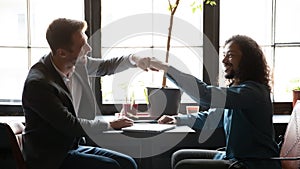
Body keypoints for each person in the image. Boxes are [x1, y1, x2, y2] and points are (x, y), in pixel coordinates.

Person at [22, 18, 151, 169]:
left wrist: (134, 59)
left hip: (72, 148)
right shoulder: (38, 84)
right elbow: (70, 125)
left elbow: (105, 66)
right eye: (82, 46)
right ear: (62, 53)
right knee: (111, 167)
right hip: (51, 158)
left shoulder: (75, 63)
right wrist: (109, 124)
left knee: (128, 164)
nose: (89, 49)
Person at [149, 35, 281, 169]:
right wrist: (177, 120)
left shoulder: (252, 92)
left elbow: (205, 94)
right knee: (179, 155)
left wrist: (167, 68)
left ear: (248, 60)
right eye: (224, 55)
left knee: (184, 165)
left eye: (230, 55)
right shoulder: (238, 91)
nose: (224, 60)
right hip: (233, 157)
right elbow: (212, 118)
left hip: (252, 164)